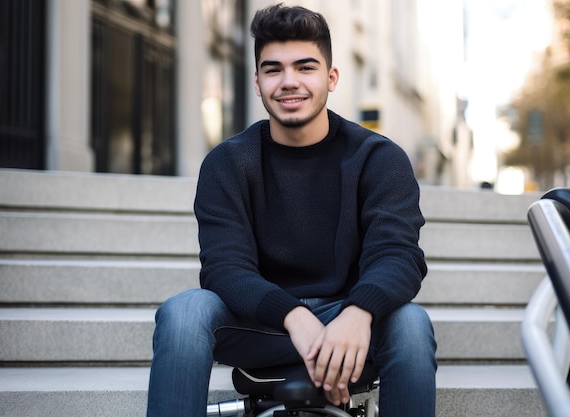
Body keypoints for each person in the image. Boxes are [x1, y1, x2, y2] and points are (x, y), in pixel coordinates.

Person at [146, 3, 437, 416]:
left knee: (410, 324)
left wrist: (359, 312)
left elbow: (399, 256)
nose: (289, 82)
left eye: (305, 67)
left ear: (331, 77)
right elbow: (224, 269)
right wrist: (295, 317)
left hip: (350, 321)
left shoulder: (378, 158)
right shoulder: (228, 163)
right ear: (257, 81)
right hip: (264, 322)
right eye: (273, 69)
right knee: (185, 310)